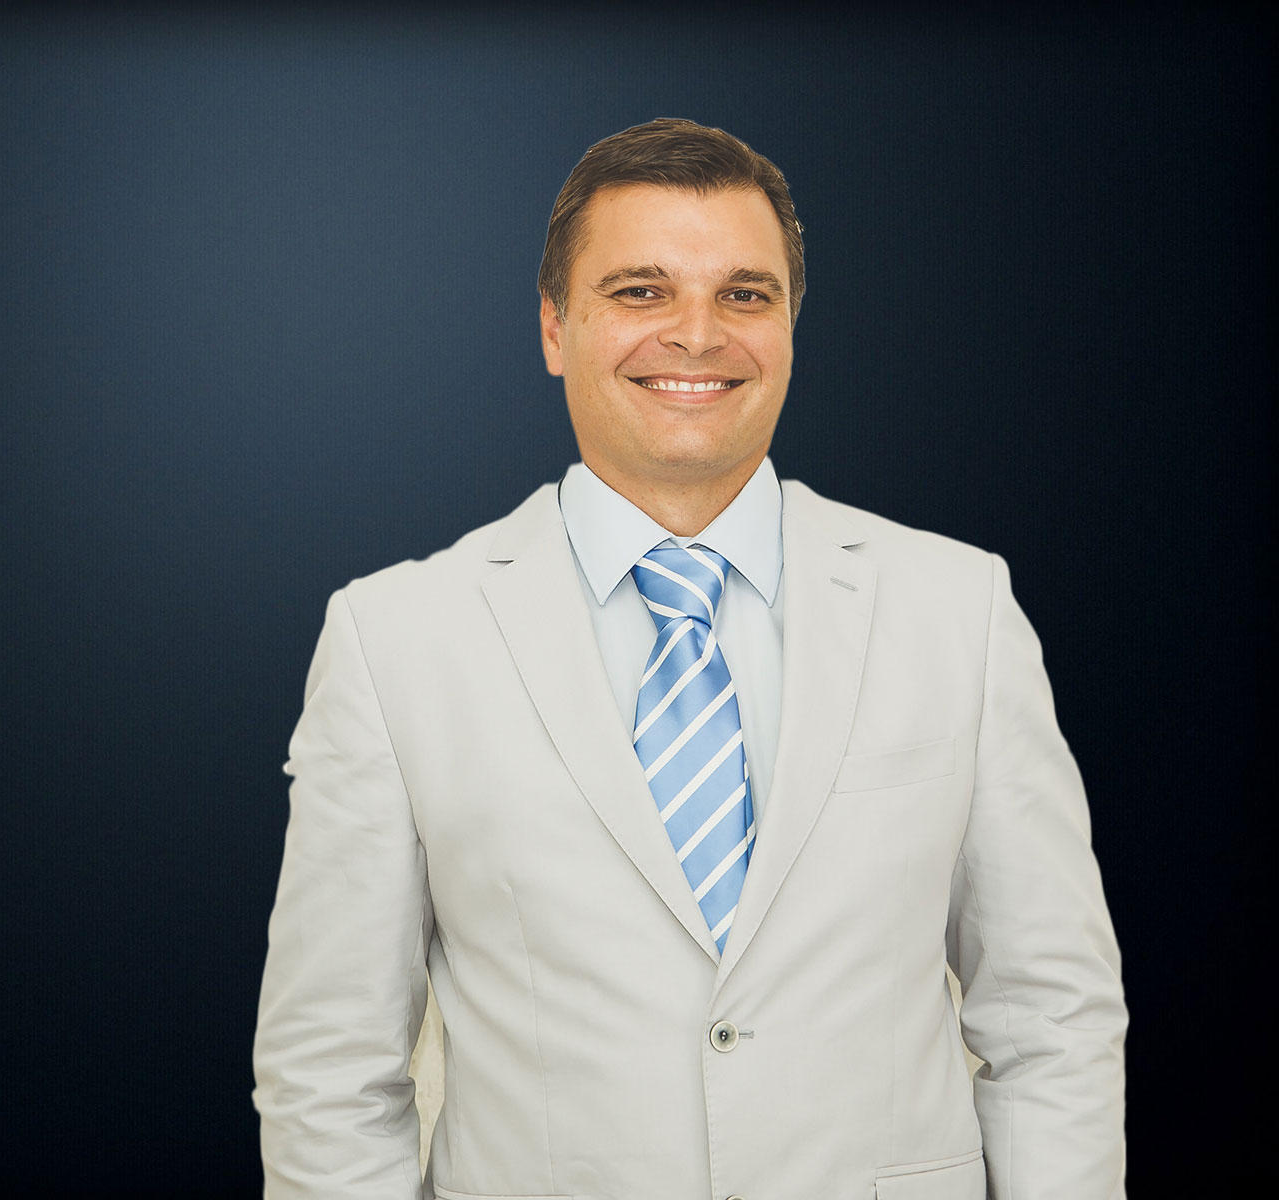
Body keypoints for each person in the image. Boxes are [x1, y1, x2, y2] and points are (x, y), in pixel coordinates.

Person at [252, 118, 1126, 1199]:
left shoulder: (961, 610)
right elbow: (331, 1071)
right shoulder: (393, 640)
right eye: (640, 291)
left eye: (745, 295)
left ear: (792, 329)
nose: (698, 335)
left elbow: (1049, 1019)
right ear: (553, 328)